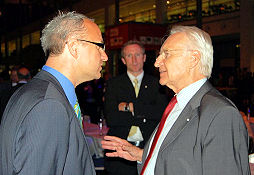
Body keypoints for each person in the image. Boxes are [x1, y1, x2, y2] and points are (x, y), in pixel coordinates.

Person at [101, 26, 250, 175]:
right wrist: (143, 155)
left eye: (166, 54)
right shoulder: (176, 104)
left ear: (193, 59)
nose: (157, 62)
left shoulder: (220, 114)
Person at [0, 11, 108, 175]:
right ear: (73, 47)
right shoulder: (49, 105)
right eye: (100, 46)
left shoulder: (36, 92)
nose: (105, 56)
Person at [104, 40, 168, 175]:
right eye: (129, 56)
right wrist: (145, 114)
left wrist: (130, 107)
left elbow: (161, 113)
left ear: (144, 58)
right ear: (123, 60)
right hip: (120, 150)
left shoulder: (158, 83)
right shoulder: (113, 84)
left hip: (149, 148)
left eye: (138, 55)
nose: (134, 60)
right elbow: (111, 118)